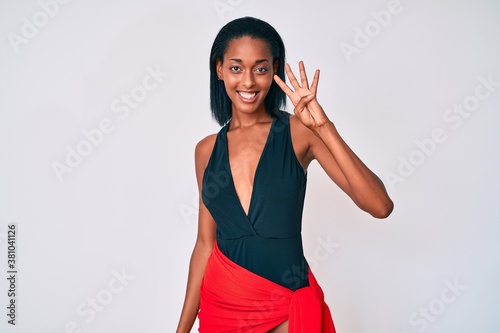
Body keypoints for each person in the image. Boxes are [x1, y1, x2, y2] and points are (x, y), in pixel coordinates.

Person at [176, 16, 394, 333]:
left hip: (285, 305)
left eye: (260, 68)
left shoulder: (299, 132)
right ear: (219, 69)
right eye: (236, 68)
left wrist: (323, 127)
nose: (248, 81)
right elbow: (205, 245)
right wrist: (181, 329)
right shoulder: (206, 150)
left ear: (274, 70)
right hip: (220, 308)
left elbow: (380, 206)